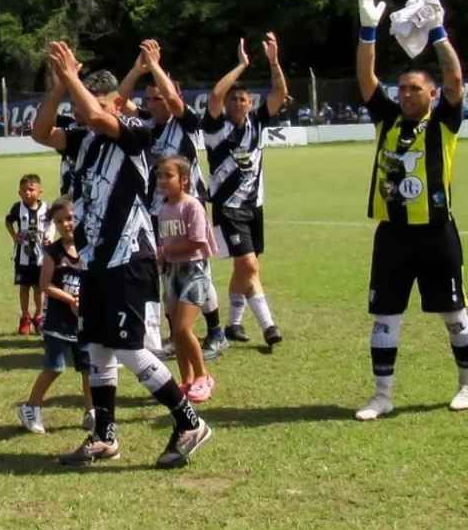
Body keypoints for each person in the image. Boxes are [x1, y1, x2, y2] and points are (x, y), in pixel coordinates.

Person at [32, 41, 211, 468]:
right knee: (95, 346)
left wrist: (72, 78)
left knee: (129, 348)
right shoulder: (84, 140)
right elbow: (41, 131)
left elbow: (96, 113)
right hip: (96, 260)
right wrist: (59, 85)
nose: (78, 109)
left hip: (129, 258)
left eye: (86, 99)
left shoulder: (134, 130)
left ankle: (189, 422)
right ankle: (105, 436)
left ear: (113, 102)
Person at [353, 0, 468, 419]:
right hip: (392, 235)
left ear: (431, 95)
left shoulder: (444, 120)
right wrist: (368, 32)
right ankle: (382, 396)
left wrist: (439, 31)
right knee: (385, 316)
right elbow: (367, 81)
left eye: (414, 90)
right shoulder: (388, 118)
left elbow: (455, 79)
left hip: (436, 232)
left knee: (451, 311)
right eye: (402, 89)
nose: (405, 95)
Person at [119, 39, 228, 358]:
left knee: (198, 271)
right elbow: (118, 102)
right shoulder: (148, 125)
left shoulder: (187, 124)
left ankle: (216, 332)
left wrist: (154, 66)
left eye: (157, 98)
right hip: (157, 210)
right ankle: (176, 335)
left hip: (189, 209)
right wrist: (137, 70)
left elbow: (172, 98)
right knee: (165, 271)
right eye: (149, 99)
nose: (151, 103)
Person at [203, 33, 287, 348]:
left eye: (243, 99)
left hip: (255, 205)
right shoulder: (215, 127)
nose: (237, 102)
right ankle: (269, 326)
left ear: (250, 103)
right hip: (228, 208)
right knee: (249, 265)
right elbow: (214, 95)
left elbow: (280, 92)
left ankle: (234, 324)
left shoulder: (257, 123)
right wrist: (241, 65)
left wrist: (274, 61)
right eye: (233, 99)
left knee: (246, 266)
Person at [15, 198, 94, 434]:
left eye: (70, 218)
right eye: (60, 221)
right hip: (57, 322)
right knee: (55, 367)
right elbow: (44, 285)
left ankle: (91, 412)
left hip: (84, 321)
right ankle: (31, 408)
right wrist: (70, 300)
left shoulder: (88, 247)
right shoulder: (52, 252)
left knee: (88, 369)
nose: (66, 224)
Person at [156, 155, 219, 402]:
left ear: (184, 179)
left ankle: (203, 376)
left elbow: (197, 241)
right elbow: (165, 243)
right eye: (160, 175)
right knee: (176, 333)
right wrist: (162, 258)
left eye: (168, 175)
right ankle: (186, 380)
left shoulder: (192, 206)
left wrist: (164, 252)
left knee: (183, 328)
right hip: (172, 273)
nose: (162, 180)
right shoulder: (164, 208)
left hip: (194, 272)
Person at [4, 173, 48, 335]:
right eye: (24, 190)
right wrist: (14, 236)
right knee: (24, 287)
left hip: (40, 257)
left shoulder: (46, 209)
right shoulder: (17, 208)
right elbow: (8, 221)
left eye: (31, 189)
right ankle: (24, 317)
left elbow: (51, 224)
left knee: (39, 288)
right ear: (19, 193)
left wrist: (49, 237)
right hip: (22, 257)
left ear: (39, 191)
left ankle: (39, 316)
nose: (28, 193)